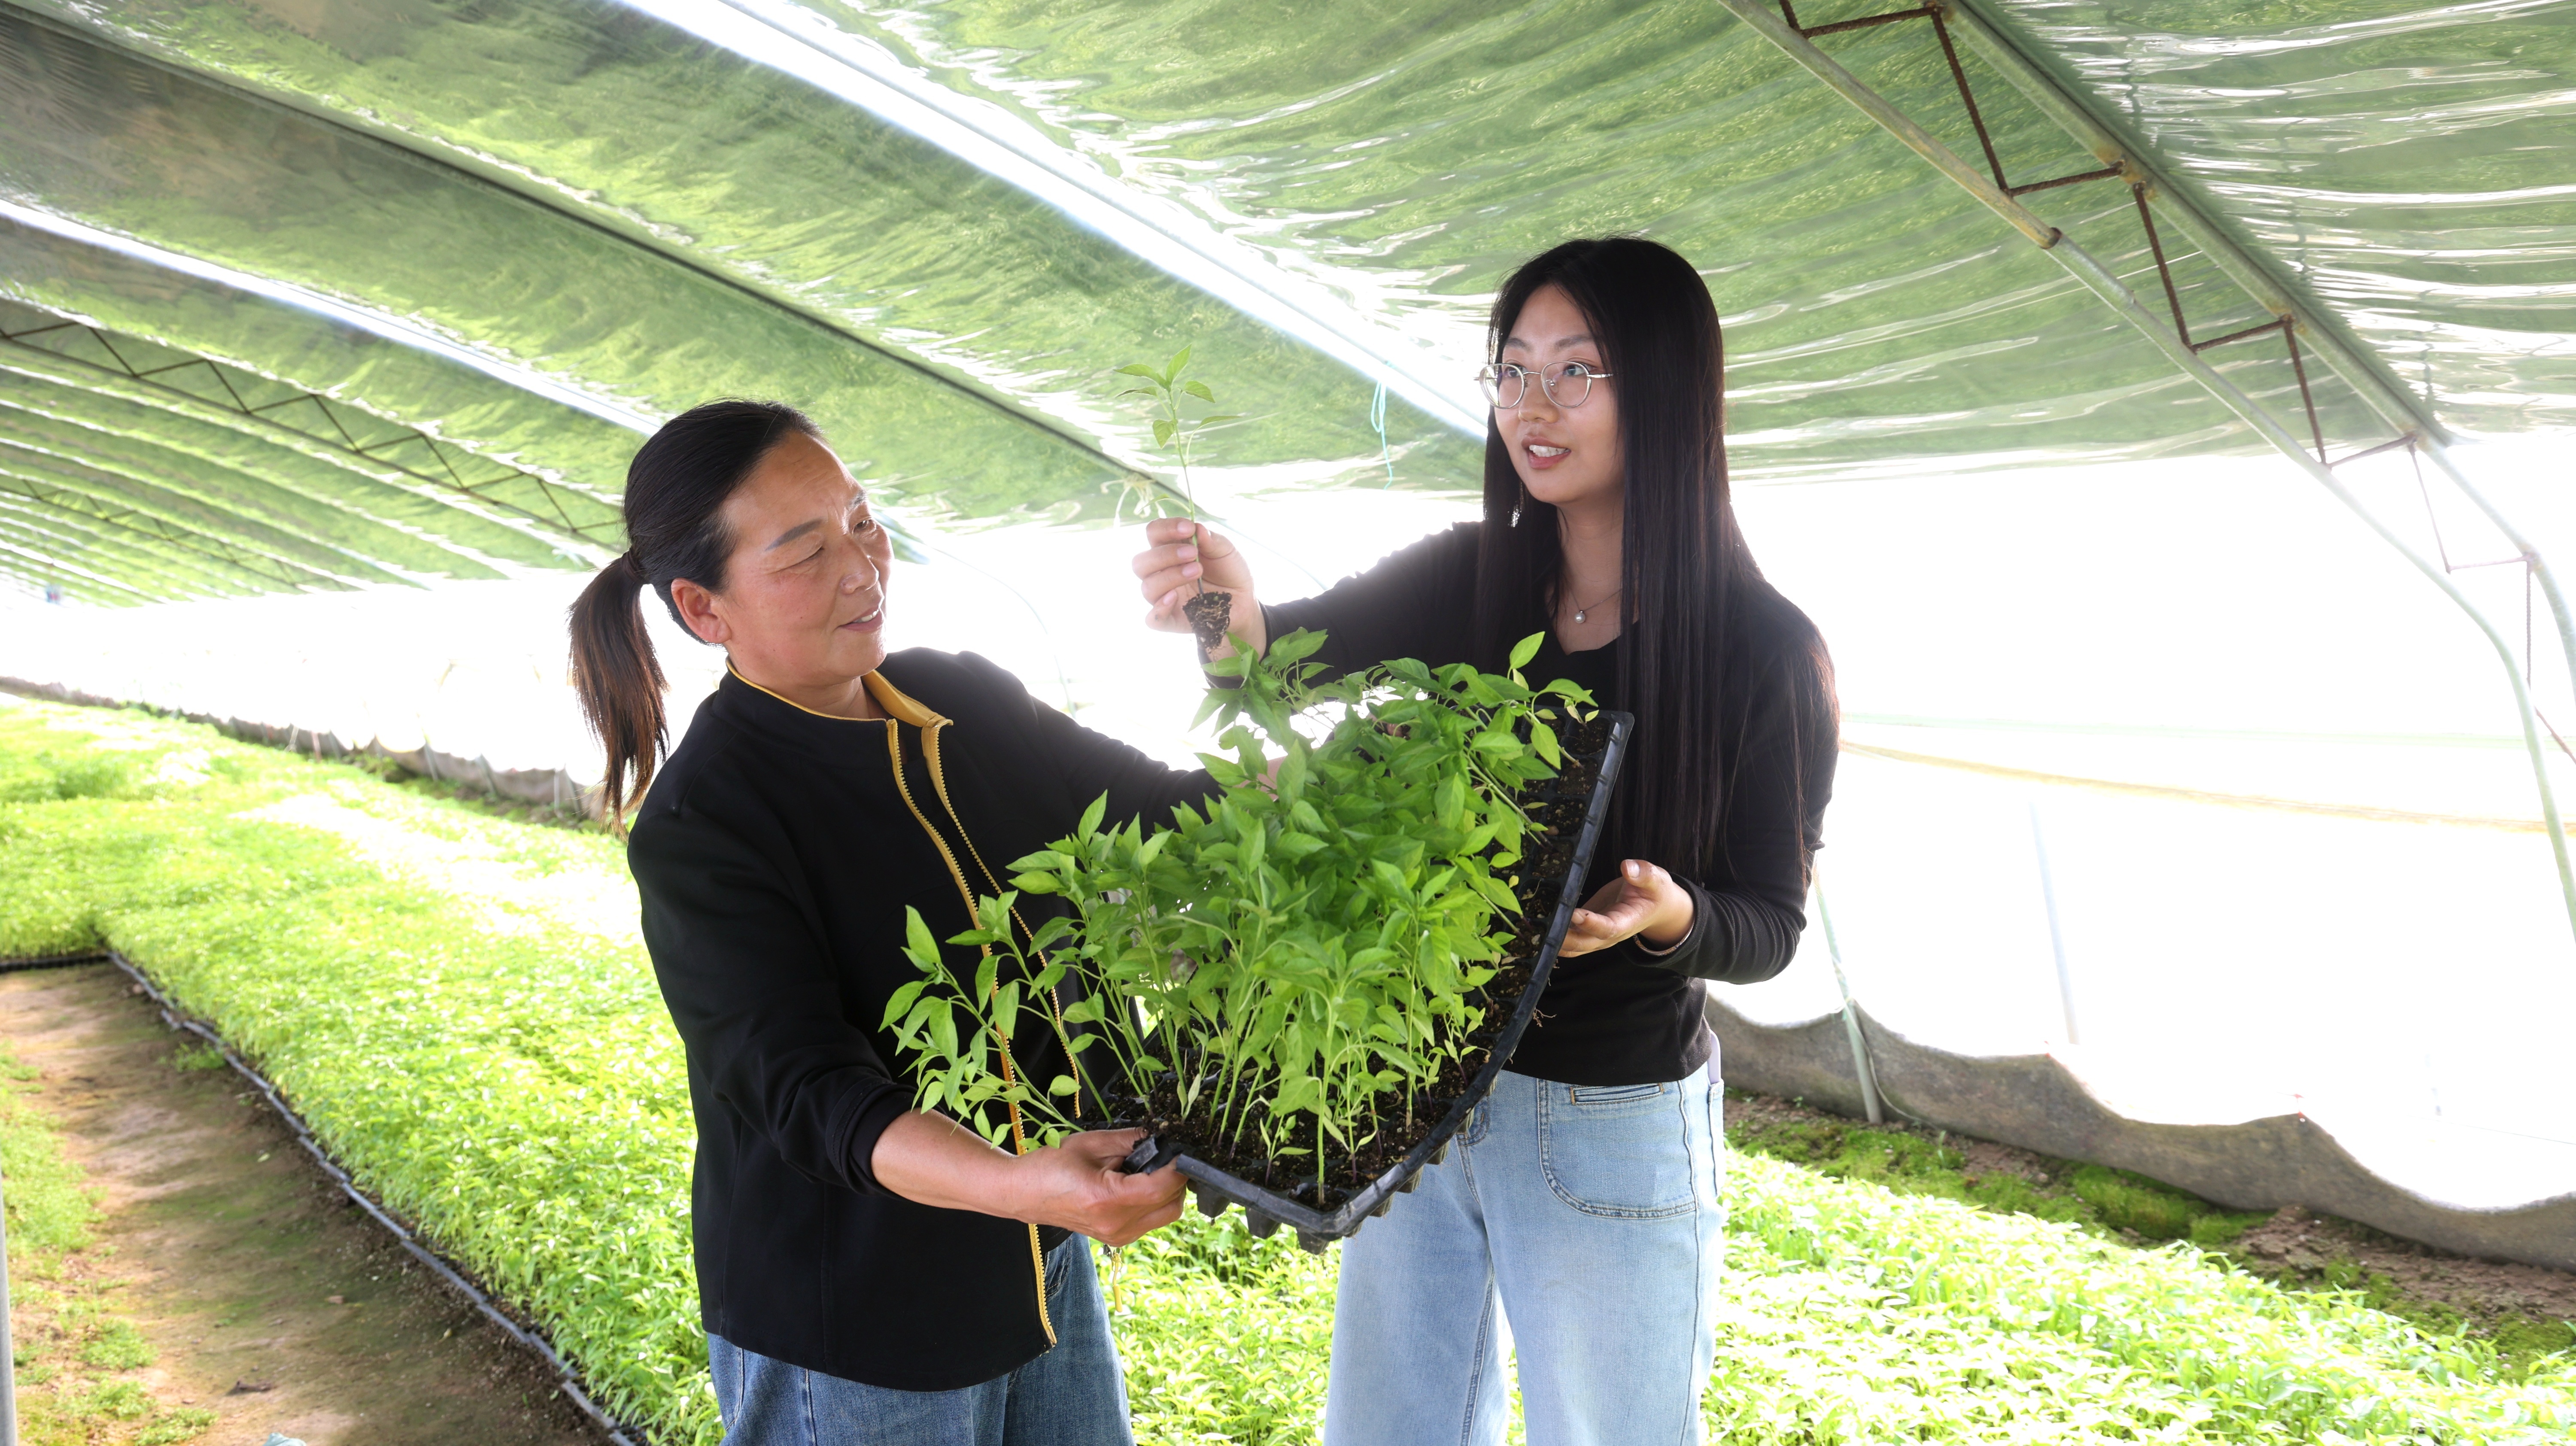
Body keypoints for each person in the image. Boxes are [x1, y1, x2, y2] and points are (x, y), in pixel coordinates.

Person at [1129, 237, 1838, 1445]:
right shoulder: (1472, 578)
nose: (1532, 408)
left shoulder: (1760, 651)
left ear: (1664, 392)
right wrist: (1210, 600)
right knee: (1387, 1428)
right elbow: (1264, 657)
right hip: (1427, 1089)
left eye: (1577, 371)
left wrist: (1672, 920)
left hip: (1608, 1117)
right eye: (1511, 372)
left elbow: (1767, 922)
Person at [571, 400, 1202, 1446]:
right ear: (705, 606)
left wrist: (1250, 661)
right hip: (854, 1323)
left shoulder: (960, 700)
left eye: (862, 520)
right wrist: (1011, 1183)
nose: (862, 568)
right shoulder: (705, 823)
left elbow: (1161, 816)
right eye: (804, 552)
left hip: (1033, 1259)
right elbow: (810, 1091)